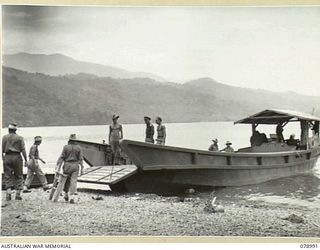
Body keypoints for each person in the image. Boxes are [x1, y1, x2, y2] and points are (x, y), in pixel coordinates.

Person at [54, 134, 84, 204]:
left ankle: (66, 194)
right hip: (75, 165)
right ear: (75, 140)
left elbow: (62, 157)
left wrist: (58, 167)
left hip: (67, 165)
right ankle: (72, 196)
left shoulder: (66, 147)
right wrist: (82, 169)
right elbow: (81, 159)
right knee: (73, 181)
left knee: (66, 180)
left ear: (69, 140)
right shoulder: (79, 148)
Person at [2, 123, 28, 201]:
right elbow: (23, 149)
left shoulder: (4, 137)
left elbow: (2, 149)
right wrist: (26, 160)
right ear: (15, 130)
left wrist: (3, 158)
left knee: (7, 175)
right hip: (17, 156)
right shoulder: (20, 138)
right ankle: (17, 194)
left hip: (7, 156)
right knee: (18, 175)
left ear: (9, 130)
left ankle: (8, 194)